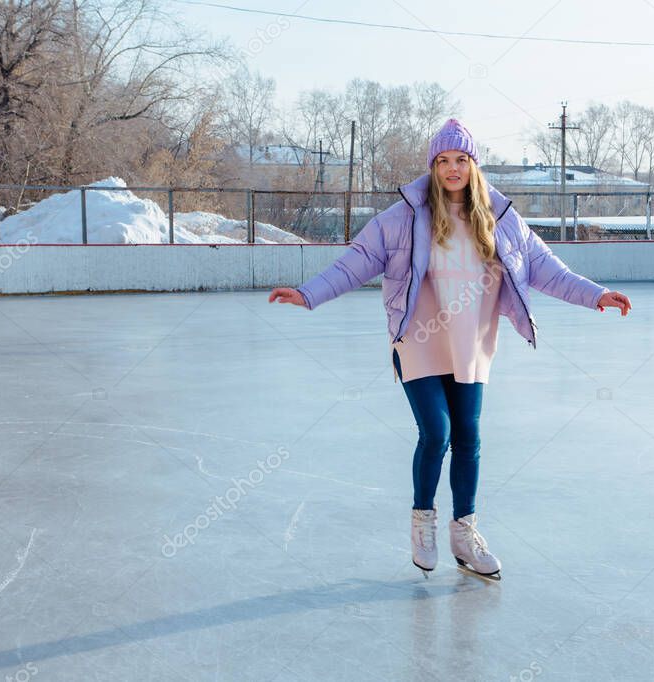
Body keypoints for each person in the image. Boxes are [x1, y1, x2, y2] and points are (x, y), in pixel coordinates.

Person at [270, 119, 631, 579]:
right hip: (418, 341)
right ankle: (423, 523)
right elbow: (358, 260)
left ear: (473, 165)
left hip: (471, 344)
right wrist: (309, 293)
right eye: (443, 161)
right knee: (437, 433)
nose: (452, 168)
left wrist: (595, 294)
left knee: (469, 439)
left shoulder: (500, 219)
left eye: (461, 160)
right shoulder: (405, 216)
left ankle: (465, 533)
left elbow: (545, 267)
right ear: (433, 166)